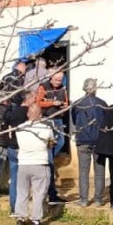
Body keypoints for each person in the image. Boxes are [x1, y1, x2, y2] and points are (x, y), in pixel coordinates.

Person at [14, 101, 54, 225]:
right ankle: (35, 219)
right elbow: (51, 143)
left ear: (27, 114)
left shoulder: (20, 128)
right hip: (39, 162)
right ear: (40, 115)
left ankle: (20, 217)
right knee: (39, 193)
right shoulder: (46, 129)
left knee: (22, 192)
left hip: (24, 162)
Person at [72, 78, 108, 207]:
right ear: (95, 88)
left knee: (83, 171)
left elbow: (75, 120)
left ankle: (83, 199)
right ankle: (98, 199)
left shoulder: (77, 104)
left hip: (83, 139)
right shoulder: (102, 104)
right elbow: (106, 121)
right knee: (100, 171)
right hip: (99, 140)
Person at [36, 71, 69, 204]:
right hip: (47, 119)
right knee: (49, 145)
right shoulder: (43, 87)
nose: (58, 82)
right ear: (51, 78)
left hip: (59, 119)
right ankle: (47, 157)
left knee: (60, 142)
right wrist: (52, 103)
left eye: (60, 80)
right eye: (56, 80)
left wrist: (65, 106)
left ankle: (49, 156)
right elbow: (38, 103)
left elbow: (66, 102)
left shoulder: (63, 89)